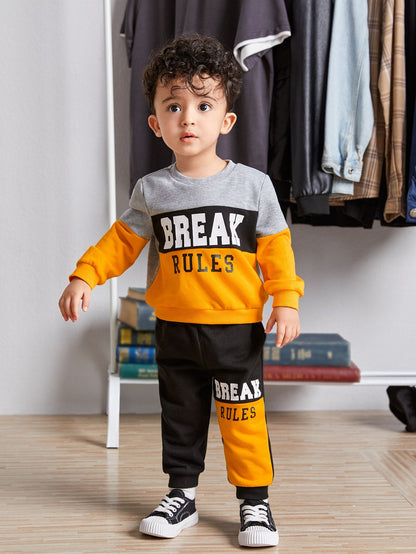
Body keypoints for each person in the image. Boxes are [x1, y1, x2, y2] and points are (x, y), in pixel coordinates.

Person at [59, 34, 304, 548]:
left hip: (236, 331)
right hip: (174, 329)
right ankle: (182, 495)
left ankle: (255, 503)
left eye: (203, 105)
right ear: (157, 124)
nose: (188, 118)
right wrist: (84, 275)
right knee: (182, 417)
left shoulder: (254, 186)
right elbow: (120, 243)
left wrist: (285, 300)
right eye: (174, 106)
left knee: (243, 419)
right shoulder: (152, 191)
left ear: (225, 121)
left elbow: (276, 250)